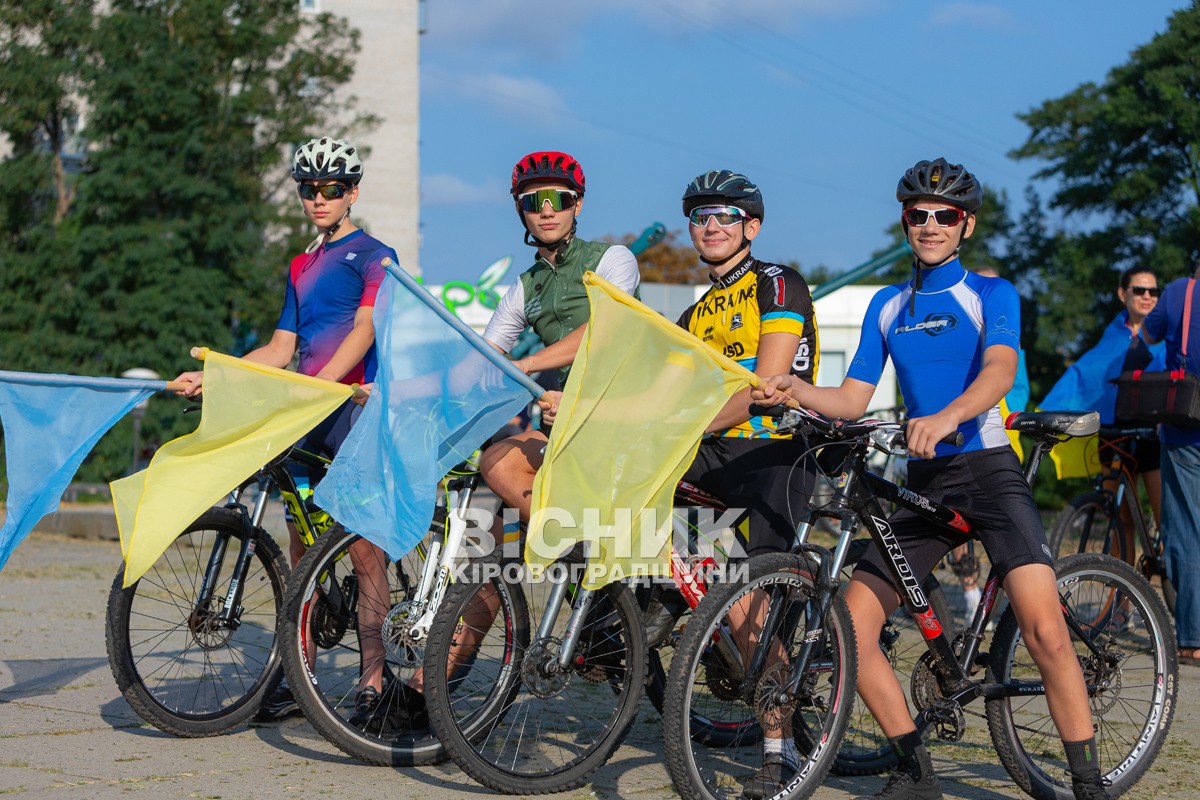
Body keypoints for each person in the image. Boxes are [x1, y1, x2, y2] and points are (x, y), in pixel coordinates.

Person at [752, 158, 1112, 800]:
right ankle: (917, 771)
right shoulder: (888, 307)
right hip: (925, 479)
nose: (930, 224)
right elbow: (854, 398)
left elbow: (1000, 370)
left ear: (965, 224)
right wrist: (799, 390)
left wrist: (947, 416)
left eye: (945, 215)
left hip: (989, 471)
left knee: (1044, 627)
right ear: (905, 222)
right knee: (853, 628)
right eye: (918, 214)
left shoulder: (992, 294)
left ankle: (1086, 783)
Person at [175, 136, 396, 725]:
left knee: (364, 548)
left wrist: (320, 383)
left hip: (348, 408)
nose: (318, 198)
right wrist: (215, 375)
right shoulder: (301, 264)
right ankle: (302, 681)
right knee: (301, 548)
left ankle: (374, 682)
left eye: (331, 188)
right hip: (307, 410)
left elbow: (365, 331)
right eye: (308, 188)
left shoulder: (376, 254)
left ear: (352, 193)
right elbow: (279, 348)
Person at [673, 169, 820, 798]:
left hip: (777, 451)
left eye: (724, 217)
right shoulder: (693, 310)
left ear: (751, 228)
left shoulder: (777, 281)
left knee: (754, 607)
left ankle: (778, 750)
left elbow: (766, 384)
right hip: (715, 452)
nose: (710, 227)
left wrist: (688, 423)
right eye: (701, 217)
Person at [478, 151, 640, 522]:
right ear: (522, 211)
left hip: (629, 414)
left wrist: (526, 364)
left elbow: (605, 330)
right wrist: (397, 390)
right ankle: (580, 553)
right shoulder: (523, 287)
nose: (547, 211)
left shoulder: (613, 259)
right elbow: (479, 362)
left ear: (577, 205)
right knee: (495, 469)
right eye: (534, 202)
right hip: (567, 419)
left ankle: (590, 553)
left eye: (560, 200)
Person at [1042, 265, 1165, 561]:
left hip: (1152, 434)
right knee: (1118, 522)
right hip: (1112, 433)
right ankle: (1120, 604)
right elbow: (1085, 375)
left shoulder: (1167, 336)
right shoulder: (1112, 336)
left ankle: (1173, 584)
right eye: (1139, 290)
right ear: (1123, 294)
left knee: (1165, 521)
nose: (1147, 296)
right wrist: (1049, 413)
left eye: (1153, 291)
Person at [1142, 260, 1200, 667]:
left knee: (1186, 531)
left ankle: (1194, 639)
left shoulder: (1181, 291)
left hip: (1186, 428)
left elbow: (1146, 335)